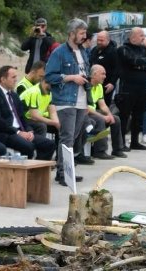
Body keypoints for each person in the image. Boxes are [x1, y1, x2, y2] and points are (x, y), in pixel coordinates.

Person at [45, 18, 90, 186]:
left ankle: (63, 170)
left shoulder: (83, 51)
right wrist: (71, 77)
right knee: (67, 137)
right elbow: (49, 76)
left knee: (73, 136)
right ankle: (64, 173)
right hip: (66, 100)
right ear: (71, 34)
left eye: (85, 33)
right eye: (81, 33)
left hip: (81, 99)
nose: (84, 36)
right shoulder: (59, 52)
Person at [0, 65, 56, 161]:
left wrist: (29, 130)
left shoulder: (14, 95)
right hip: (4, 133)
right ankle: (24, 172)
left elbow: (21, 117)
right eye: (13, 77)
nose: (16, 80)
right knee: (28, 146)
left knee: (49, 144)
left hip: (19, 131)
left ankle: (36, 171)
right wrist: (18, 132)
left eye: (16, 77)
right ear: (3, 79)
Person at [115, 27, 146, 150]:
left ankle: (135, 141)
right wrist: (141, 64)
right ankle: (121, 142)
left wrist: (140, 65)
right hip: (127, 87)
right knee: (125, 115)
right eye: (141, 35)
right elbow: (131, 60)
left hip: (141, 87)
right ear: (133, 37)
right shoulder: (123, 49)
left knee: (139, 115)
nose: (143, 38)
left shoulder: (144, 49)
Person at [87, 64, 128, 159]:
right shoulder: (86, 86)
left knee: (116, 119)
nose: (105, 76)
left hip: (93, 112)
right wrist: (103, 117)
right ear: (94, 74)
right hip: (86, 113)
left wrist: (109, 115)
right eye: (103, 74)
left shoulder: (99, 87)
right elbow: (86, 108)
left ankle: (117, 149)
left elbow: (102, 105)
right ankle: (100, 151)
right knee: (100, 119)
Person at [89, 31, 119, 107]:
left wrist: (112, 83)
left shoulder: (113, 52)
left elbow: (117, 68)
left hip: (106, 84)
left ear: (108, 40)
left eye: (101, 40)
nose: (99, 42)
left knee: (103, 105)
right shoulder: (94, 50)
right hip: (94, 83)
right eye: (98, 40)